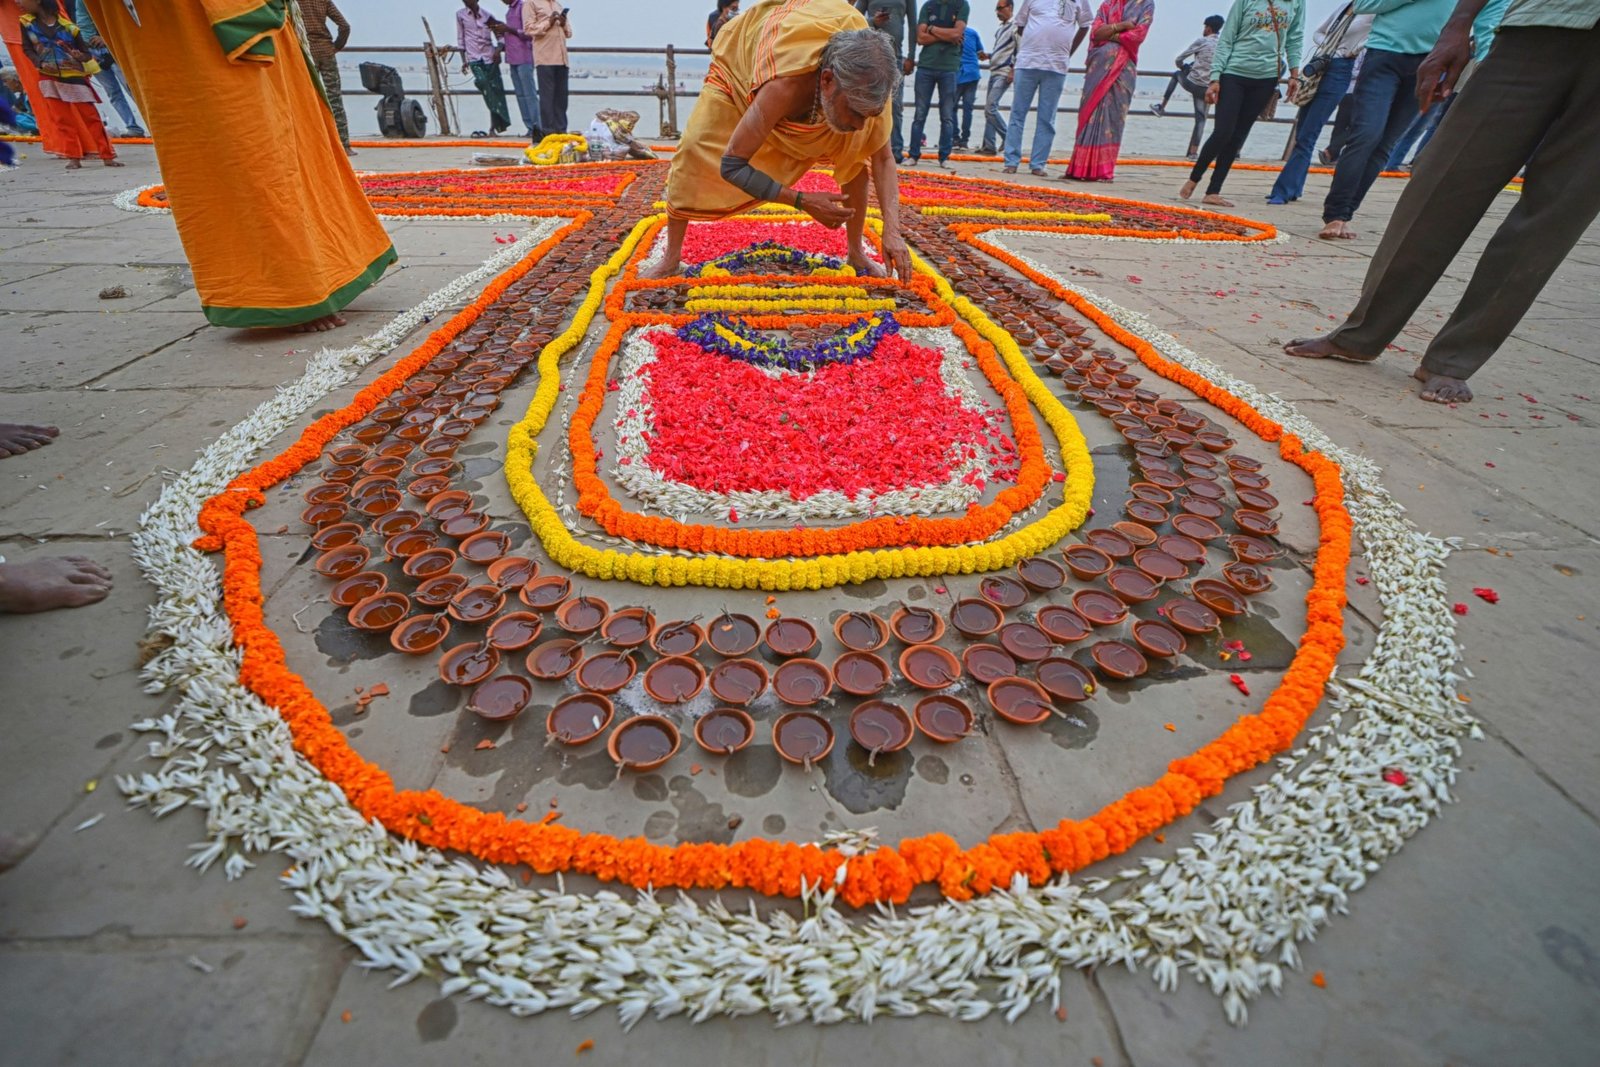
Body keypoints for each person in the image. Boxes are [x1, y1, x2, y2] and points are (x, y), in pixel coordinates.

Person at [1284, 0, 1600, 405]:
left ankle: (1453, 359)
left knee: (1556, 214)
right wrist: (1459, 23)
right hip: (1540, 24)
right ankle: (1362, 333)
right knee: (1442, 183)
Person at [80, 0, 397, 331]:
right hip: (199, 29)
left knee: (288, 143)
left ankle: (327, 272)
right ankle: (287, 292)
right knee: (253, 151)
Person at [646, 0, 911, 283]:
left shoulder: (870, 85)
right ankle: (671, 257)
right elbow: (733, 164)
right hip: (740, 63)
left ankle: (856, 252)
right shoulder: (783, 86)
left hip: (830, 56)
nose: (861, 124)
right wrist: (802, 201)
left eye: (868, 114)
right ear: (827, 80)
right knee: (693, 150)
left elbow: (882, 158)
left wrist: (892, 231)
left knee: (856, 151)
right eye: (856, 113)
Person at [1315, 0, 1460, 239]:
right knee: (1366, 135)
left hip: (1432, 62)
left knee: (1385, 145)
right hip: (1384, 56)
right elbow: (1362, 5)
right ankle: (1335, 214)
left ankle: (1346, 214)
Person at [1179, 0, 1304, 206]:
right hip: (1234, 73)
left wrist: (1294, 73)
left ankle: (1213, 191)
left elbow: (1295, 37)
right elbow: (1226, 39)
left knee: (1238, 135)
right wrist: (1215, 77)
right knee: (1223, 131)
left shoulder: (1296, 3)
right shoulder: (1246, 2)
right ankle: (1194, 178)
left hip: (1266, 77)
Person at [1266, 4, 1371, 202]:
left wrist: (1350, 51)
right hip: (1321, 64)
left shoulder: (1374, 11)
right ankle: (1294, 187)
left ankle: (1282, 191)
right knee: (1302, 130)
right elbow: (1319, 32)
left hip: (1341, 70)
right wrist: (1331, 47)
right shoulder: (1346, 6)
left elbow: (1375, 39)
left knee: (1308, 135)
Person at [17, 0, 118, 170]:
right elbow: (27, 49)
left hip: (75, 77)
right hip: (49, 77)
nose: (18, 2)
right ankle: (73, 157)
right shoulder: (26, 23)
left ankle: (107, 155)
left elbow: (86, 55)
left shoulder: (69, 27)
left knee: (91, 118)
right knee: (62, 119)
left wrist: (80, 56)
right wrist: (39, 64)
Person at [1062, 0, 1153, 180]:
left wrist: (1110, 33)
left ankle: (1103, 170)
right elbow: (1095, 34)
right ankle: (1078, 168)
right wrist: (1122, 26)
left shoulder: (1145, 4)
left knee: (1113, 119)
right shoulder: (1108, 4)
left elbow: (1137, 35)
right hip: (1098, 68)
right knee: (1088, 115)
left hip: (1123, 70)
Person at [1002, 0, 1092, 175]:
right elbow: (1020, 24)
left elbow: (1085, 25)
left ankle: (1038, 164)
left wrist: (1067, 51)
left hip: (1056, 66)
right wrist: (1034, 41)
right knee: (1017, 114)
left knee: (1047, 117)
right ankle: (1011, 161)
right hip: (1027, 62)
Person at [1151, 14, 1224, 158]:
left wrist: (1184, 67)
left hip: (1193, 83)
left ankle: (1161, 107)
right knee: (1201, 119)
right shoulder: (1223, 45)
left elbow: (1179, 59)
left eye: (1205, 27)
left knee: (1176, 74)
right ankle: (1193, 152)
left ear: (1208, 28)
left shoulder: (1202, 41)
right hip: (1208, 88)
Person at [906, 0, 968, 166]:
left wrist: (932, 29)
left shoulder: (961, 5)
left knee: (947, 116)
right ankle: (913, 154)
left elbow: (957, 34)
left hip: (949, 68)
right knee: (919, 114)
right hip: (926, 66)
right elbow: (920, 38)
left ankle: (944, 157)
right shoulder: (929, 6)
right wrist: (947, 35)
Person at [856, 0, 918, 162]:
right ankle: (865, 149)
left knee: (896, 106)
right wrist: (873, 22)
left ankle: (896, 151)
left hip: (895, 57)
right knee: (868, 103)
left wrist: (911, 56)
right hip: (870, 55)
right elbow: (854, 18)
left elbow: (913, 25)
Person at [68, 0, 140, 136]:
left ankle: (149, 124)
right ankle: (133, 127)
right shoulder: (72, 4)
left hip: (111, 46)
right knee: (113, 92)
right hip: (90, 49)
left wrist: (106, 37)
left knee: (131, 87)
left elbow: (123, 19)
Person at [299, 0, 352, 152]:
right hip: (327, 52)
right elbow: (345, 26)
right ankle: (344, 145)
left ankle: (312, 144)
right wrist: (336, 47)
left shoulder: (295, 2)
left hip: (307, 53)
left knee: (307, 98)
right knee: (334, 98)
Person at [457, 0, 511, 136]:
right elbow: (461, 39)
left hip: (489, 57)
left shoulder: (487, 16)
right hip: (474, 58)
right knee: (483, 82)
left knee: (495, 90)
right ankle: (500, 117)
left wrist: (498, 50)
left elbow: (500, 36)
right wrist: (464, 60)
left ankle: (494, 127)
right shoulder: (460, 15)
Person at [526, 0, 571, 135]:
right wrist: (549, 22)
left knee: (561, 98)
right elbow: (529, 29)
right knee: (547, 98)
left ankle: (561, 131)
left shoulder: (557, 5)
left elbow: (569, 33)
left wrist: (563, 23)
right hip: (545, 58)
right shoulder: (531, 4)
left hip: (562, 59)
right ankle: (548, 132)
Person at [978, 0, 1017, 153]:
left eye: (1000, 8)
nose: (997, 12)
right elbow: (1002, 50)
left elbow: (1019, 49)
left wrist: (1013, 69)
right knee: (988, 108)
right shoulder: (1001, 29)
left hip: (1004, 71)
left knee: (990, 107)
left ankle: (1008, 136)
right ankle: (989, 145)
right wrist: (988, 56)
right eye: (996, 9)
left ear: (1010, 8)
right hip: (994, 70)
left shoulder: (1016, 27)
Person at [502, 0, 542, 140]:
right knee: (520, 94)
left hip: (524, 56)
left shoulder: (523, 7)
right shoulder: (510, 10)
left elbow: (529, 32)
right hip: (512, 57)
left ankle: (537, 127)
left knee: (529, 94)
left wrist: (508, 29)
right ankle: (529, 127)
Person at [953, 23, 983, 147]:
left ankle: (955, 137)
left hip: (958, 74)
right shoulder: (973, 32)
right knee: (968, 109)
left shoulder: (952, 33)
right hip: (973, 73)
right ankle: (965, 139)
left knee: (951, 107)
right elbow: (980, 53)